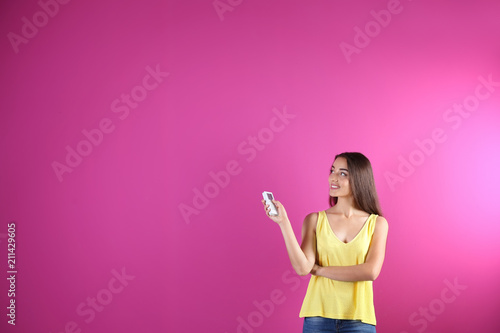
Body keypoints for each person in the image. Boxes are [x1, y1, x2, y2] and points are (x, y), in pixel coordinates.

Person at [262, 152, 388, 333]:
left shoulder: (377, 224)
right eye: (332, 170)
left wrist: (320, 270)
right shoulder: (314, 220)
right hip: (318, 317)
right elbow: (303, 268)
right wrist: (284, 223)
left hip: (360, 319)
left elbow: (370, 271)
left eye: (342, 173)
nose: (333, 178)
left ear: (359, 179)